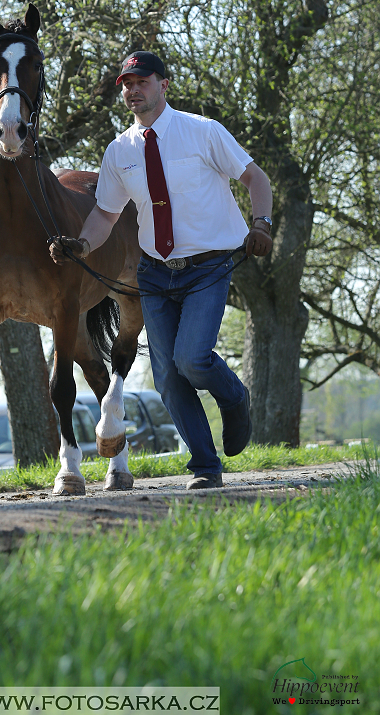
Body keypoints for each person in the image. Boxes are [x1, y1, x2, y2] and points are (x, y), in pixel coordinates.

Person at [50, 50, 273, 489]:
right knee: (168, 376)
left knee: (192, 359)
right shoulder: (120, 151)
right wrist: (81, 243)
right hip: (155, 273)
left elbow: (256, 179)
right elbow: (105, 215)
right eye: (126, 85)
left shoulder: (202, 132)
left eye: (142, 82)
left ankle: (234, 396)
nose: (133, 91)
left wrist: (261, 223)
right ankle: (206, 468)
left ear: (163, 84)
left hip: (207, 267)